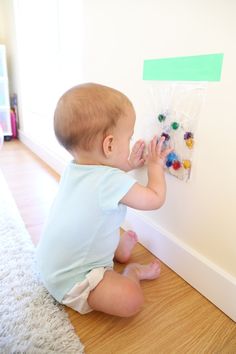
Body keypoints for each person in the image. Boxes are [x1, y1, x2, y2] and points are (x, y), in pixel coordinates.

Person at [36, 83, 172, 317]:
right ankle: (132, 271)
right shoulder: (110, 181)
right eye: (128, 138)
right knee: (132, 301)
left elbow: (106, 181)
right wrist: (154, 166)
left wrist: (128, 164)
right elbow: (154, 198)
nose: (130, 143)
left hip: (49, 265)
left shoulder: (74, 169)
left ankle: (117, 252)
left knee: (100, 225)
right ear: (109, 145)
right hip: (74, 280)